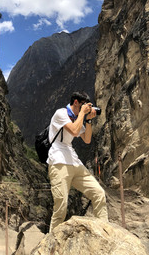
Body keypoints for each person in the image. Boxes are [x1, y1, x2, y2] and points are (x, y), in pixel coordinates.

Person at [47, 91, 108, 232]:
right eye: (83, 105)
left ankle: (104, 232)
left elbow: (87, 139)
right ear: (76, 102)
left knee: (98, 193)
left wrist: (88, 120)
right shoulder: (61, 113)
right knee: (61, 208)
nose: (85, 109)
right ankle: (51, 246)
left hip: (74, 161)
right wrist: (82, 114)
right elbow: (74, 131)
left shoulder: (77, 117)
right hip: (58, 161)